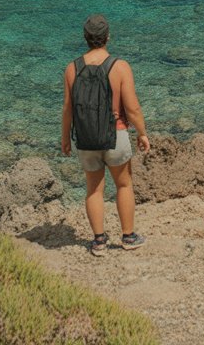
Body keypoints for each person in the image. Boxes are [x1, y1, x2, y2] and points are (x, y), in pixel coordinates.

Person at [62, 14, 151, 256]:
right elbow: (132, 108)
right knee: (124, 184)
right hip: (116, 134)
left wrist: (64, 139)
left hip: (86, 137)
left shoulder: (72, 68)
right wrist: (142, 133)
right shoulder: (119, 66)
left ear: (85, 38)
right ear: (107, 37)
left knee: (93, 189)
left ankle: (99, 241)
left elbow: (68, 109)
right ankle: (128, 236)